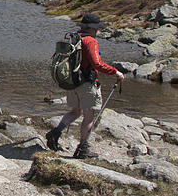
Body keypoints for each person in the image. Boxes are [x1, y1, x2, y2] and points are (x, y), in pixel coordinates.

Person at [45, 13, 124, 159]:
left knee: (75, 112)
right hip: (87, 83)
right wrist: (115, 72)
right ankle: (82, 149)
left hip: (72, 81)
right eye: (97, 29)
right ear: (93, 28)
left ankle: (55, 133)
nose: (98, 31)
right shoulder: (90, 41)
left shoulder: (75, 37)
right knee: (89, 116)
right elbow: (97, 64)